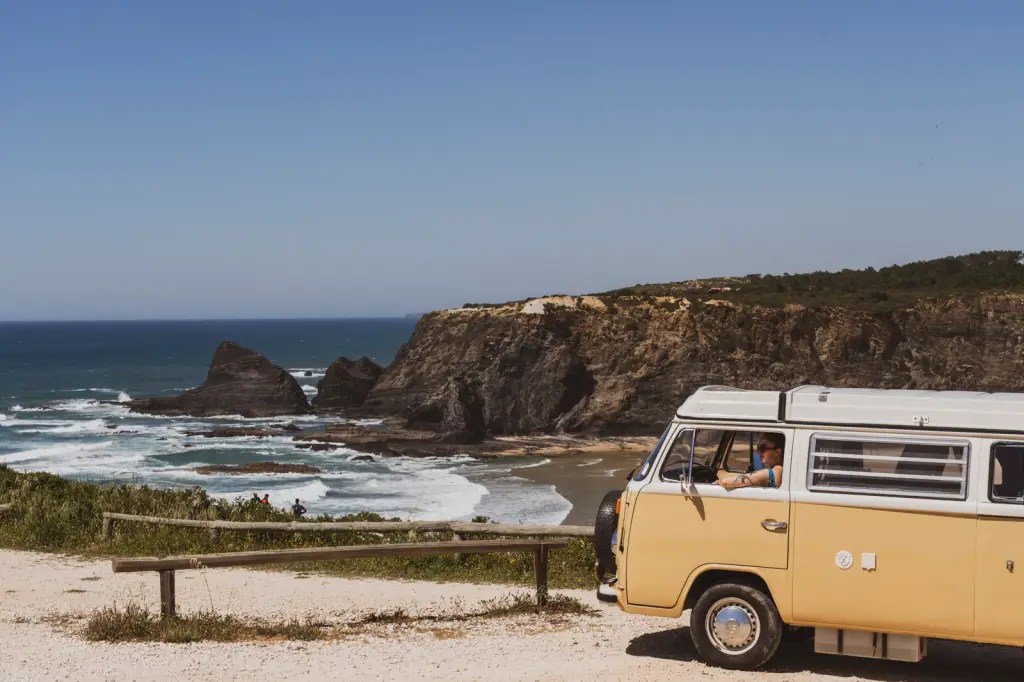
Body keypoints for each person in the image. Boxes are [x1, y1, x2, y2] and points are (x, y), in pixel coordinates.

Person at [716, 433, 785, 490]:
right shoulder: (783, 470)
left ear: (777, 452)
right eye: (758, 447)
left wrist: (718, 482)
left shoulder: (774, 472)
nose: (759, 452)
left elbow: (725, 482)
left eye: (763, 448)